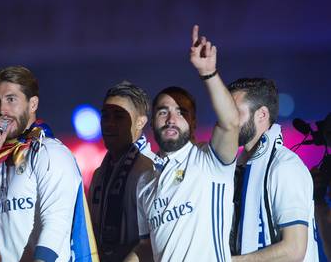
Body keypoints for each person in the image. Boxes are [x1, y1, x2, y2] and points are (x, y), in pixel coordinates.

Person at [124, 24, 239, 261]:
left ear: (194, 123)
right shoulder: (145, 181)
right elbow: (147, 246)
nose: (172, 119)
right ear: (152, 122)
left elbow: (231, 123)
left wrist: (208, 73)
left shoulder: (211, 161)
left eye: (181, 112)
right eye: (163, 112)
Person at [0, 66, 82, 262]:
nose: (1, 110)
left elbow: (56, 225)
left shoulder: (51, 152)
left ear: (33, 104)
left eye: (11, 100)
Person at [229, 78, 320, 261]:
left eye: (234, 112)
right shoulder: (239, 168)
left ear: (262, 114)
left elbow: (294, 250)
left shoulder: (285, 166)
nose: (227, 120)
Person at [88, 81, 155, 261]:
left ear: (140, 122)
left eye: (118, 117)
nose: (109, 124)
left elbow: (152, 242)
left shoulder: (151, 169)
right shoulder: (99, 174)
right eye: (105, 116)